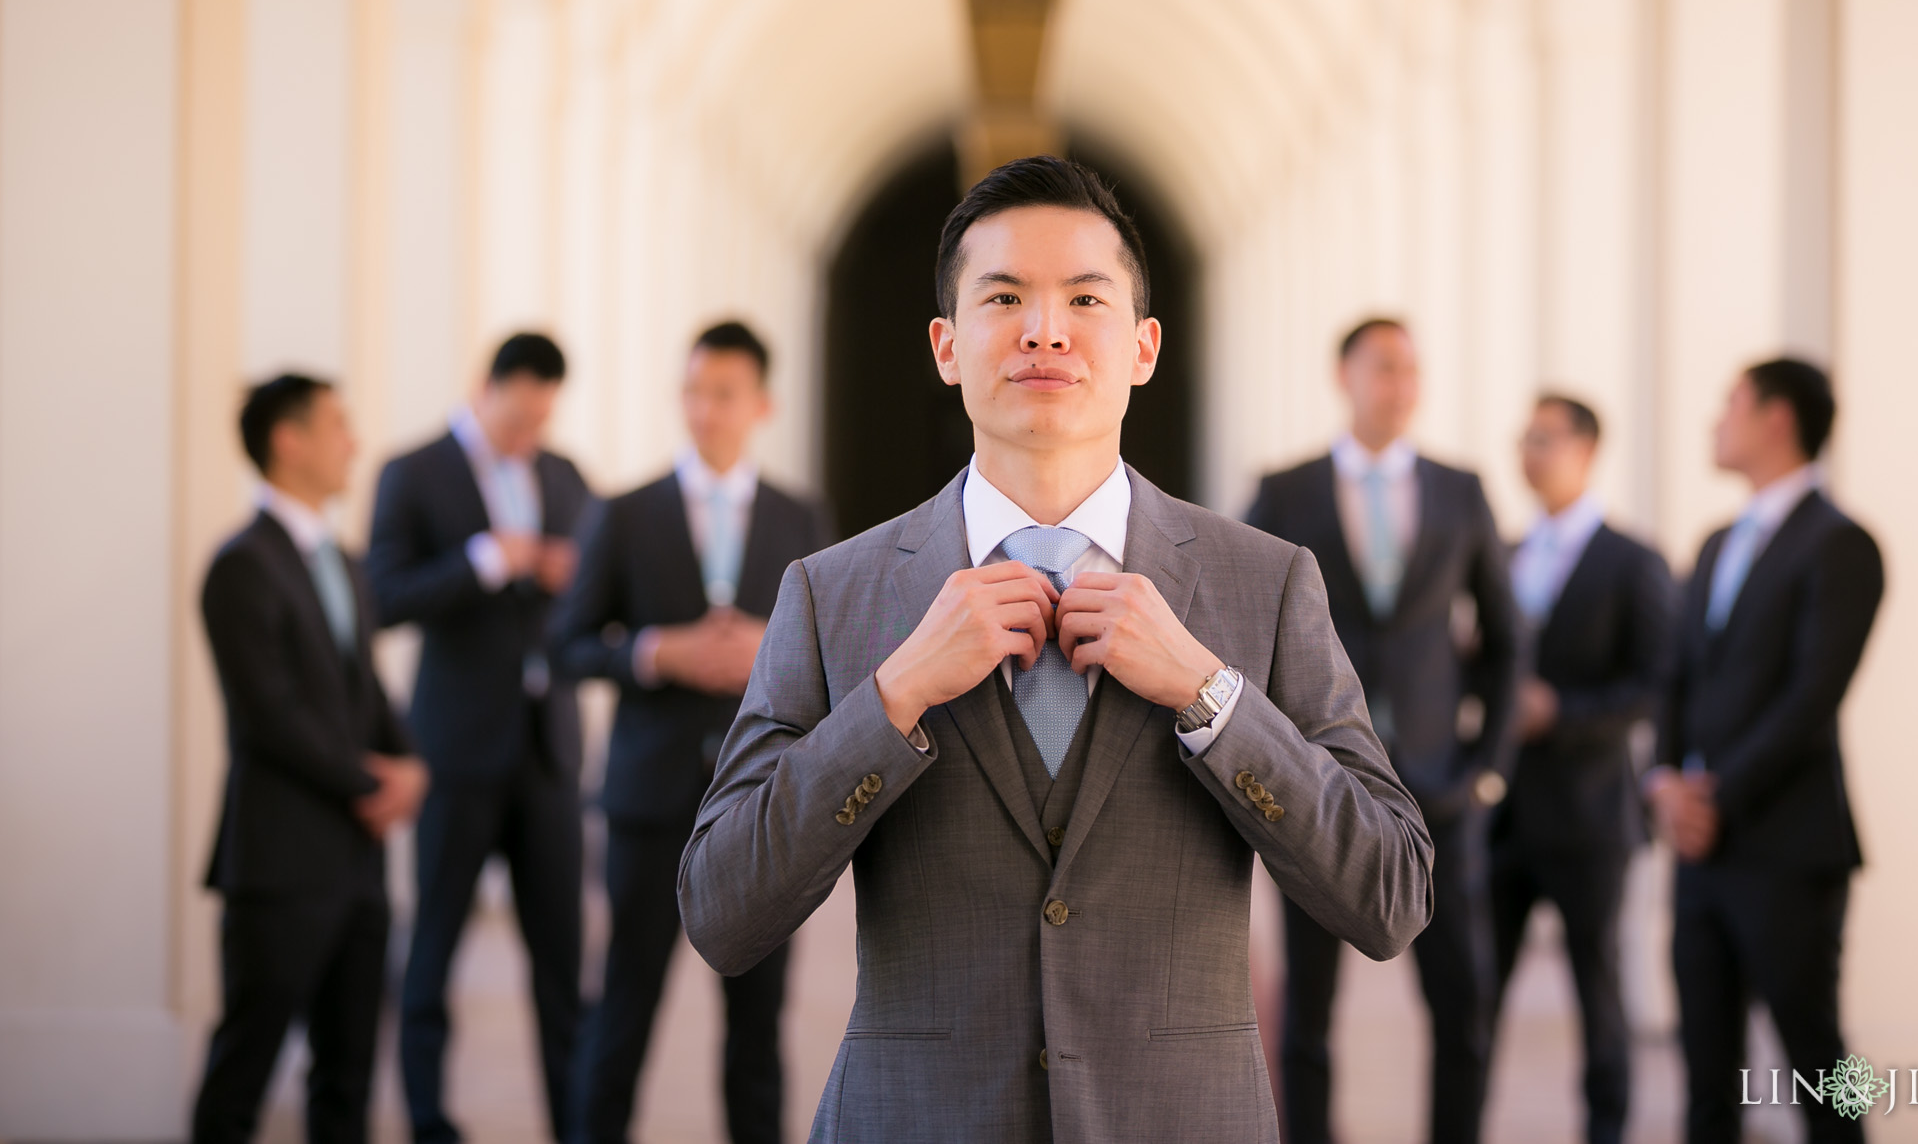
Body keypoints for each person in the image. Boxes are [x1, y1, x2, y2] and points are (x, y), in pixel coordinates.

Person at [678, 156, 1433, 1144]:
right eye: (1003, 298)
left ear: (1142, 347)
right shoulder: (833, 593)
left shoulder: (1265, 581)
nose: (1044, 329)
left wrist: (1209, 697)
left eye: (1085, 296)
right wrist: (894, 693)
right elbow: (722, 909)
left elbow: (1389, 894)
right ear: (946, 347)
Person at [553, 320, 832, 1144]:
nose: (704, 410)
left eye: (723, 394)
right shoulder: (624, 511)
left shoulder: (800, 516)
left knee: (757, 1030)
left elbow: (837, 651)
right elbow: (567, 643)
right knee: (623, 1015)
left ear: (761, 405)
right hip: (647, 799)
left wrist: (766, 650)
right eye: (693, 392)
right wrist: (654, 650)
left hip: (764, 807)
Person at [1246, 317, 1519, 1144]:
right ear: (1345, 375)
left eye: (1412, 370)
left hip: (1442, 785)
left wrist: (1489, 769)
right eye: (1384, 367)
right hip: (1318, 783)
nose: (1400, 385)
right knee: (1309, 1009)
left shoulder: (1460, 488)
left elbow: (1507, 639)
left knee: (1459, 1002)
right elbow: (1234, 617)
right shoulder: (1286, 488)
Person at [1646, 358, 1884, 1144]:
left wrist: (1712, 795)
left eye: (1732, 404)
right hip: (1698, 850)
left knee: (1821, 1060)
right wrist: (1665, 783)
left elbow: (1812, 698)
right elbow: (1678, 676)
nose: (1718, 420)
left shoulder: (1841, 542)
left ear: (1778, 419)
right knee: (1706, 1073)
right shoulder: (1716, 541)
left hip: (1788, 844)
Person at [368, 332, 593, 1144]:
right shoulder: (414, 471)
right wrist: (483, 561)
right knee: (431, 951)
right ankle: (429, 1122)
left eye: (543, 417)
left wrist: (571, 571)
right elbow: (383, 595)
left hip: (549, 752)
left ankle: (576, 1124)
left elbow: (594, 584)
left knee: (563, 965)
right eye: (519, 415)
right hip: (457, 750)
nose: (530, 432)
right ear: (483, 388)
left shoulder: (563, 473)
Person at [190, 374, 427, 1143]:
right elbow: (271, 714)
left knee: (348, 1077)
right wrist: (372, 783)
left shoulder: (343, 560)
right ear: (287, 440)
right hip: (280, 861)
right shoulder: (240, 563)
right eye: (337, 425)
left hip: (358, 864)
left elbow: (364, 687)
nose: (353, 442)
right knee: (245, 1067)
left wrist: (411, 761)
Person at [1489, 395, 1675, 1144]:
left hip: (1591, 814)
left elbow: (1654, 683)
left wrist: (1560, 711)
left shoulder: (1633, 559)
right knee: (1474, 996)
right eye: (1523, 437)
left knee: (1600, 999)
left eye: (1544, 438)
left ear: (1587, 449)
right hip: (1503, 814)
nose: (1528, 451)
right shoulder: (1502, 552)